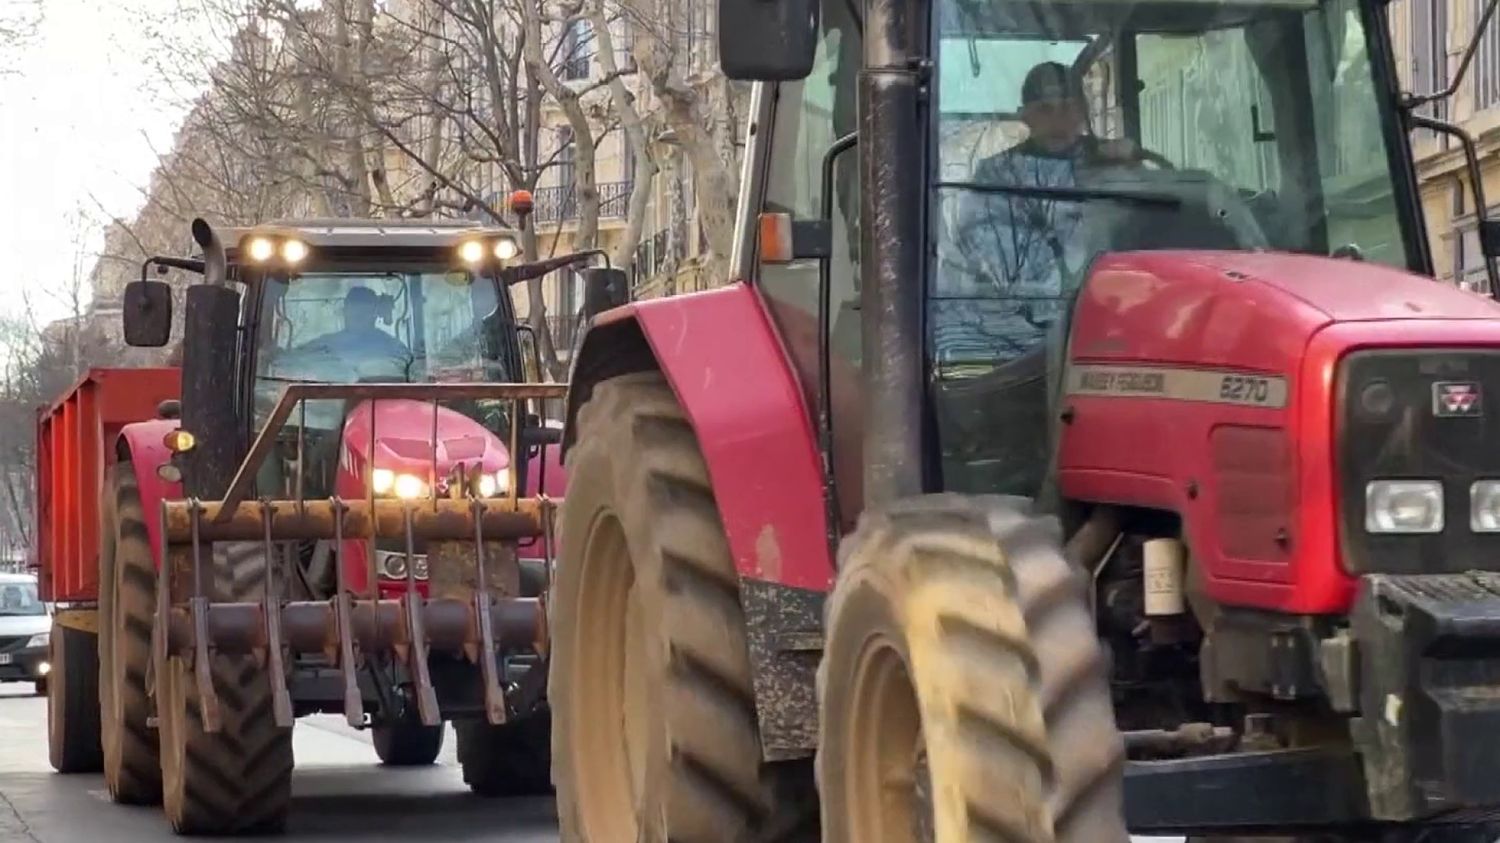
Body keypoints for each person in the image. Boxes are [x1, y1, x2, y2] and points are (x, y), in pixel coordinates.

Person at [944, 61, 1141, 364]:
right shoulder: (996, 176)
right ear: (1026, 115)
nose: (1059, 119)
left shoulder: (1111, 167)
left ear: (1083, 112)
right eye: (1045, 109)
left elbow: (1137, 234)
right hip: (1014, 334)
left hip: (1112, 322)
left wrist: (1128, 169)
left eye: (1068, 107)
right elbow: (988, 260)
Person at [297, 286, 410, 363]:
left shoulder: (394, 348)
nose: (359, 316)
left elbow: (412, 374)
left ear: (375, 313)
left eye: (364, 312)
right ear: (345, 311)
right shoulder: (324, 345)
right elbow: (294, 361)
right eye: (355, 311)